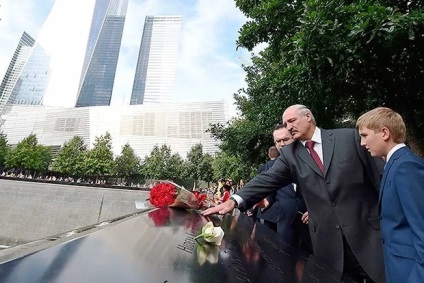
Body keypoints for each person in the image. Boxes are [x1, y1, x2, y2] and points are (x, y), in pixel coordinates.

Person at [203, 104, 385, 282]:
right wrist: (234, 201)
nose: (289, 126)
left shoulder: (349, 138)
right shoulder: (290, 155)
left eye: (291, 120)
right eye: (285, 123)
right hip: (329, 248)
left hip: (369, 239)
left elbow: (381, 180)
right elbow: (266, 179)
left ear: (308, 117)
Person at [356, 107, 424, 283]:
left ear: (385, 133)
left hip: (410, 273)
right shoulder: (393, 164)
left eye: (365, 135)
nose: (362, 143)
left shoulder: (406, 166)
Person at [255, 127, 309, 250]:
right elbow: (269, 191)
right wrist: (266, 200)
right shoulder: (271, 167)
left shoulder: (311, 160)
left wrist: (317, 210)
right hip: (286, 224)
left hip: (313, 224)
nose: (282, 144)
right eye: (278, 141)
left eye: (285, 139)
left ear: (294, 138)